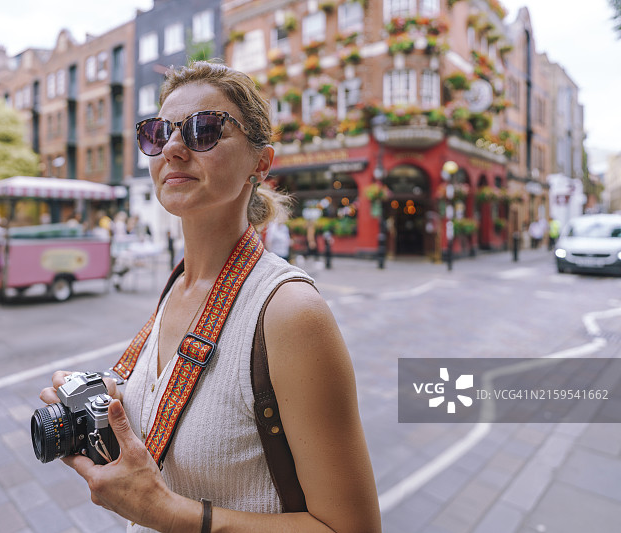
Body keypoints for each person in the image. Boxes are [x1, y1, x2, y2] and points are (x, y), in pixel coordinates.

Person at [39, 61, 381, 533]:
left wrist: (166, 513)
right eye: (158, 133)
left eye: (203, 130)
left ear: (261, 163)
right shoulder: (177, 286)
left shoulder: (289, 312)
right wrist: (116, 403)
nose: (172, 148)